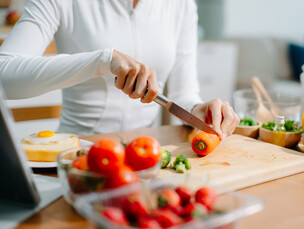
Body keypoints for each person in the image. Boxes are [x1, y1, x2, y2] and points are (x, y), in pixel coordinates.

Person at [0, 0, 239, 137]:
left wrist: (196, 108)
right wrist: (103, 60)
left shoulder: (182, 4)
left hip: (147, 158)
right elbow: (4, 75)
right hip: (77, 156)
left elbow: (184, 91)